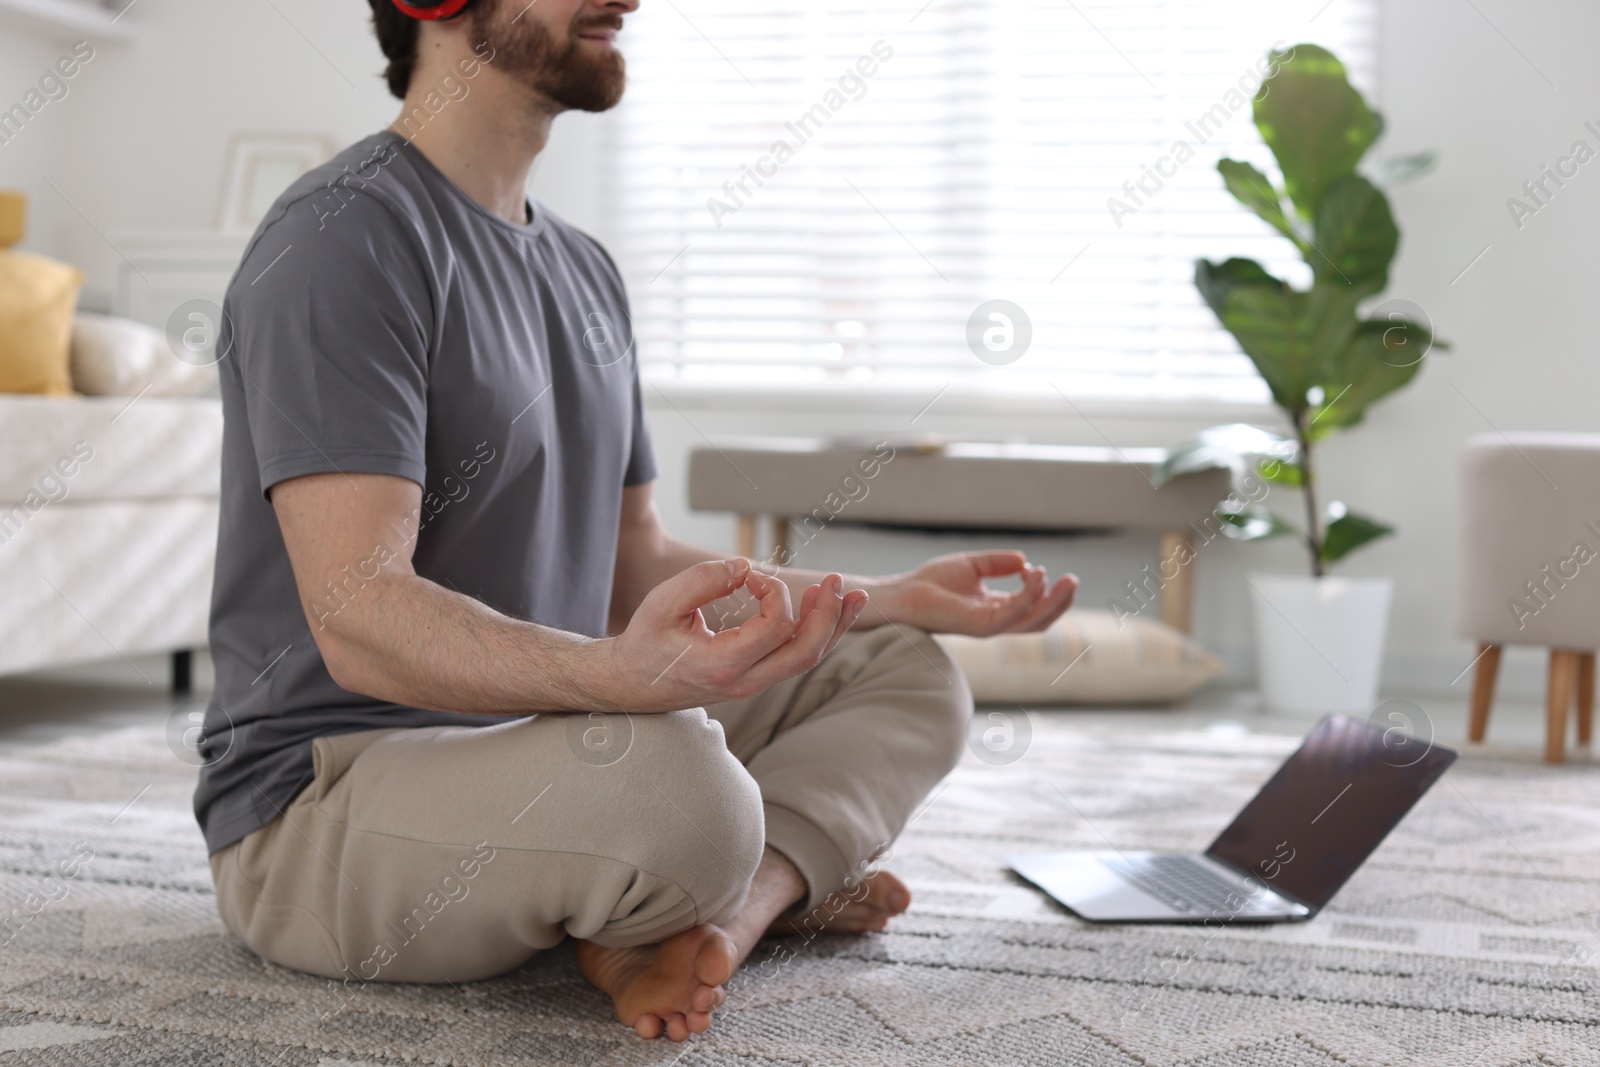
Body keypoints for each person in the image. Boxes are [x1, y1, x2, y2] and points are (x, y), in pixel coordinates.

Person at [196, 0, 1078, 1043]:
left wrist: (884, 599)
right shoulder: (342, 239)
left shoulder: (584, 270)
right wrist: (620, 680)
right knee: (680, 791)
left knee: (903, 666)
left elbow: (635, 561)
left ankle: (729, 913)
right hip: (324, 798)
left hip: (541, 742)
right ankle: (721, 874)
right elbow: (359, 612)